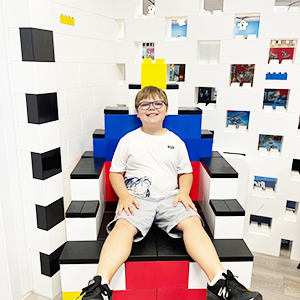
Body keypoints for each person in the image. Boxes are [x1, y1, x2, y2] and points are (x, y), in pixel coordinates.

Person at [79, 86, 263, 300]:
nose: (151, 108)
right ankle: (100, 287)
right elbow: (115, 173)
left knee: (192, 222)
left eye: (157, 103)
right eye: (144, 104)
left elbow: (186, 172)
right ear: (138, 112)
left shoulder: (175, 141)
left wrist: (184, 192)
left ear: (166, 110)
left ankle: (219, 282)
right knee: (123, 226)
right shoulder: (128, 140)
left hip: (170, 198)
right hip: (137, 199)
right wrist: (124, 195)